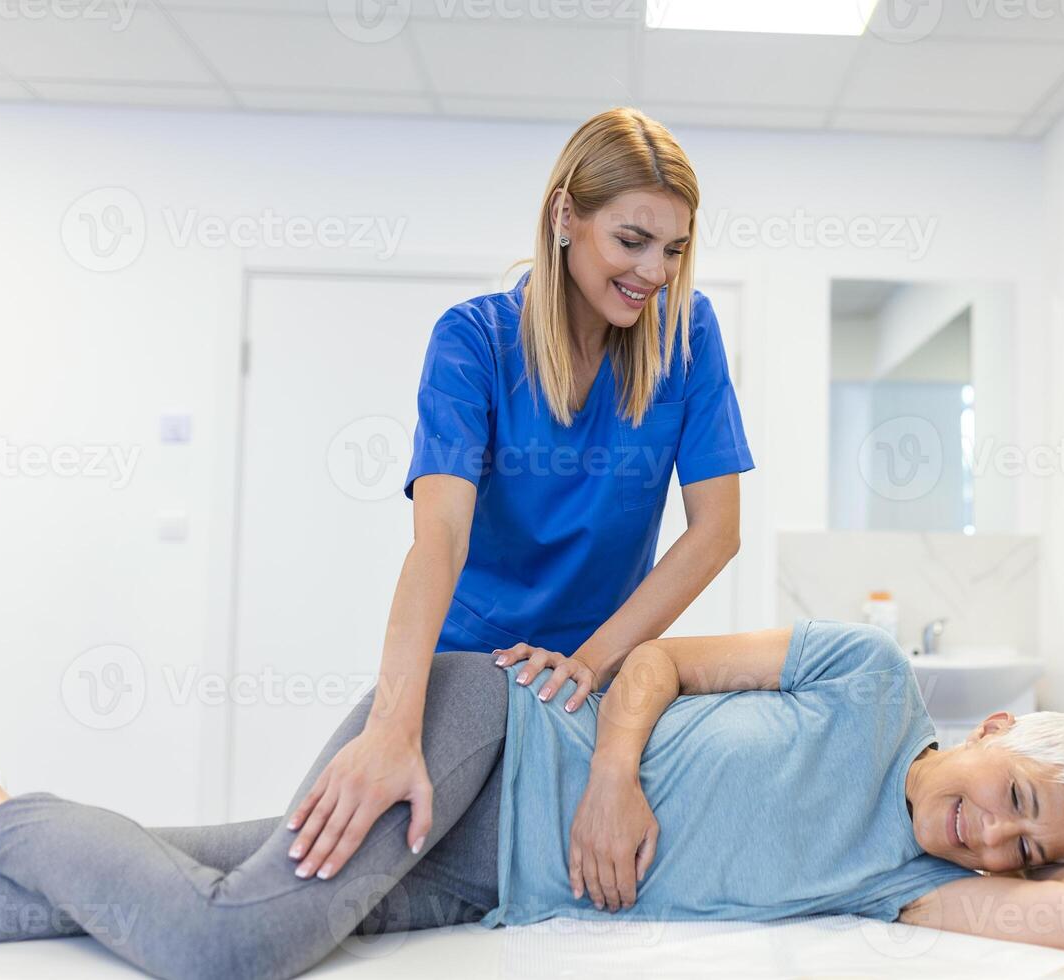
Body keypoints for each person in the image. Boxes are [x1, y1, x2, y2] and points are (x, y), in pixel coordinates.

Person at [0, 620, 1064, 978]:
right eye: (1016, 793)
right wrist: (613, 782)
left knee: (130, 890)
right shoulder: (870, 681)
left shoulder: (904, 885)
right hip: (487, 730)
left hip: (485, 880)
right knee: (227, 939)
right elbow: (663, 659)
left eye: (1026, 848)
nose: (995, 834)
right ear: (992, 728)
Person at [304, 105, 753, 877]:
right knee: (313, 858)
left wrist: (592, 662)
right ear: (565, 217)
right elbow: (438, 537)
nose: (655, 272)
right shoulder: (472, 340)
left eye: (675, 249)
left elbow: (716, 531)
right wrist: (392, 724)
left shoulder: (687, 333)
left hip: (591, 684)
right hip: (469, 674)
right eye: (632, 241)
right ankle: (20, 830)